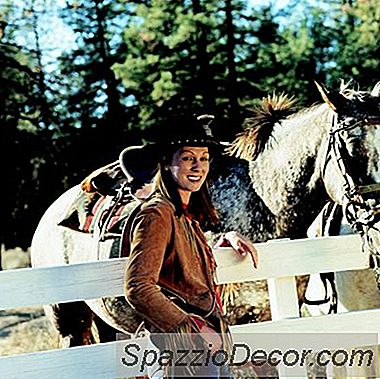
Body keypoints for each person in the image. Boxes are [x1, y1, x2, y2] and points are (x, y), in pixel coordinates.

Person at [122, 114, 258, 378]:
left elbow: (182, 266)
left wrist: (222, 241)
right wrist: (191, 327)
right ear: (166, 163)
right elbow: (137, 287)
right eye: (187, 158)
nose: (198, 166)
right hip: (186, 348)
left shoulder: (183, 214)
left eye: (203, 158)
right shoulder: (157, 213)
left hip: (203, 343)